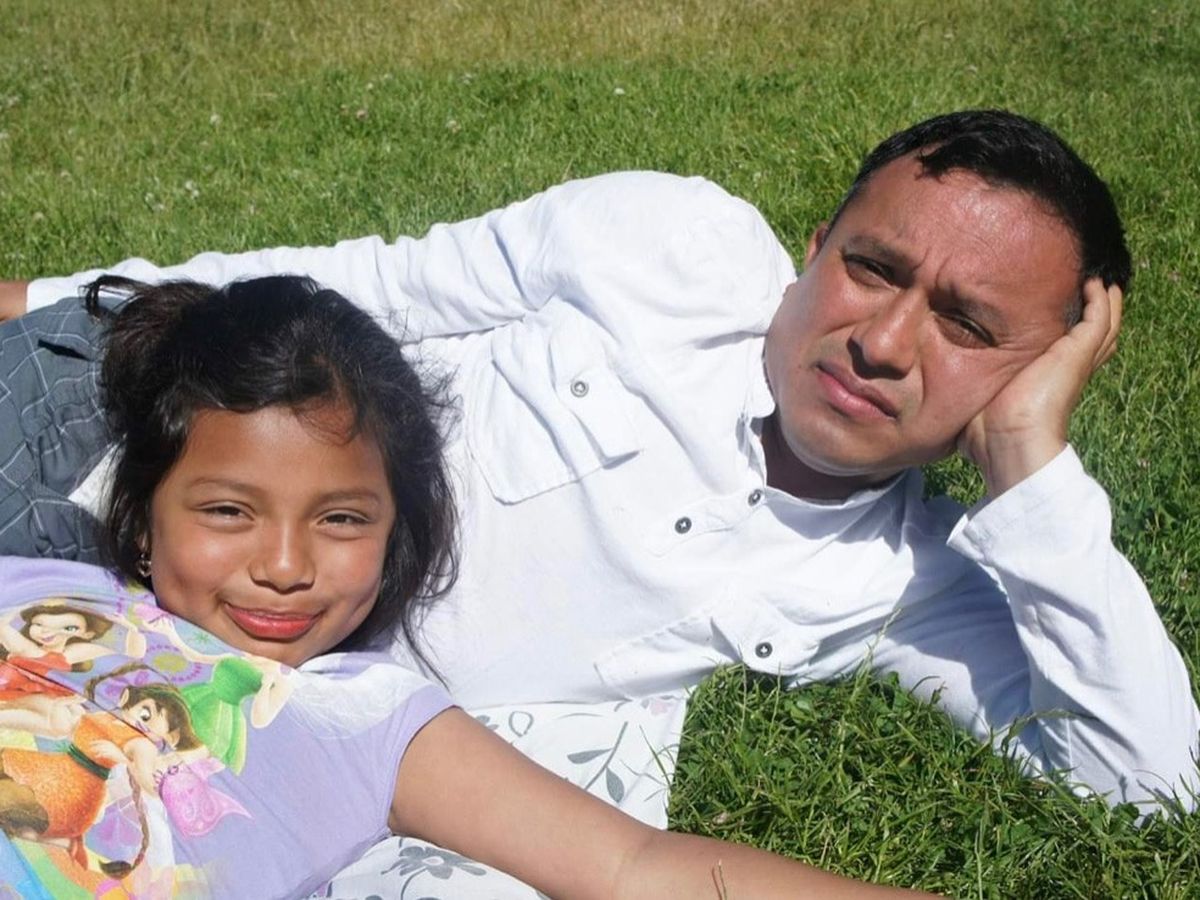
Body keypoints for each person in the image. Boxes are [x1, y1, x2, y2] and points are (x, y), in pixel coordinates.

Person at [0, 109, 1196, 821]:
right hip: (91, 422)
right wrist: (48, 300)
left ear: (1038, 374)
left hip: (130, 637)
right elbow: (366, 282)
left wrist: (1032, 466)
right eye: (871, 268)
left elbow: (1154, 786)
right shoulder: (669, 246)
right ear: (815, 247)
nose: (881, 342)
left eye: (968, 327)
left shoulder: (902, 587)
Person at [0, 275, 925, 898]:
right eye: (228, 512)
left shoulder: (367, 719)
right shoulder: (37, 577)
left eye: (342, 520)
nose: (283, 566)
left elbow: (636, 866)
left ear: (396, 532)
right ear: (141, 517)